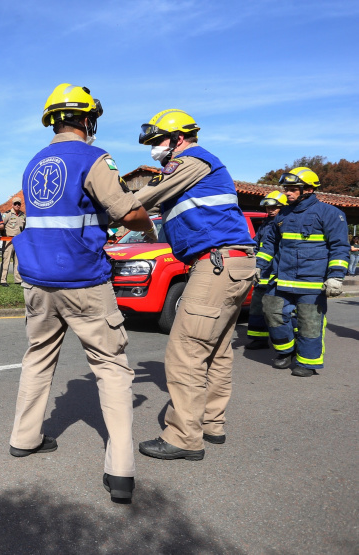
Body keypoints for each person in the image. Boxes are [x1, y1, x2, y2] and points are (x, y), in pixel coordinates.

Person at [9, 83, 155, 504]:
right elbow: (126, 210)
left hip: (37, 278)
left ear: (52, 121)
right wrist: (146, 226)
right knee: (111, 366)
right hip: (83, 280)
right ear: (88, 119)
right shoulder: (94, 158)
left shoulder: (34, 163)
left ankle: (24, 437)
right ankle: (120, 471)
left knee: (38, 356)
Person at [133, 109, 257, 461]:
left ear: (178, 138)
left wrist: (101, 201)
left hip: (215, 264)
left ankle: (184, 437)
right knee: (216, 350)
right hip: (233, 263)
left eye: (158, 140)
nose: (155, 148)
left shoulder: (190, 162)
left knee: (186, 351)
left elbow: (139, 199)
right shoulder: (201, 167)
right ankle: (211, 424)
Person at [257, 167, 349, 377]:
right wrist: (258, 266)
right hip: (281, 279)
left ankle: (307, 362)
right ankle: (287, 350)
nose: (287, 193)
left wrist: (336, 276)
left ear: (308, 189)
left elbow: (339, 247)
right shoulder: (283, 214)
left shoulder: (330, 213)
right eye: (286, 189)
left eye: (292, 189)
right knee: (271, 312)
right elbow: (270, 244)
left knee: (310, 322)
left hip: (312, 282)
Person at [245, 191, 287, 350]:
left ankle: (285, 341)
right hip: (263, 272)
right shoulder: (265, 224)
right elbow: (257, 244)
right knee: (257, 306)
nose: (270, 210)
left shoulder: (287, 224)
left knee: (277, 310)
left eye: (274, 207)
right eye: (268, 207)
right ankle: (259, 339)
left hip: (278, 273)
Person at [0, 200, 25, 286]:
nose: (17, 205)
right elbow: (2, 226)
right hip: (9, 240)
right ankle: (3, 280)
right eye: (15, 204)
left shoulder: (23, 215)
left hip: (18, 241)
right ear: (12, 205)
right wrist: (4, 237)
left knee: (18, 261)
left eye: (19, 204)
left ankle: (17, 280)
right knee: (6, 260)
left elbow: (24, 228)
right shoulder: (7, 214)